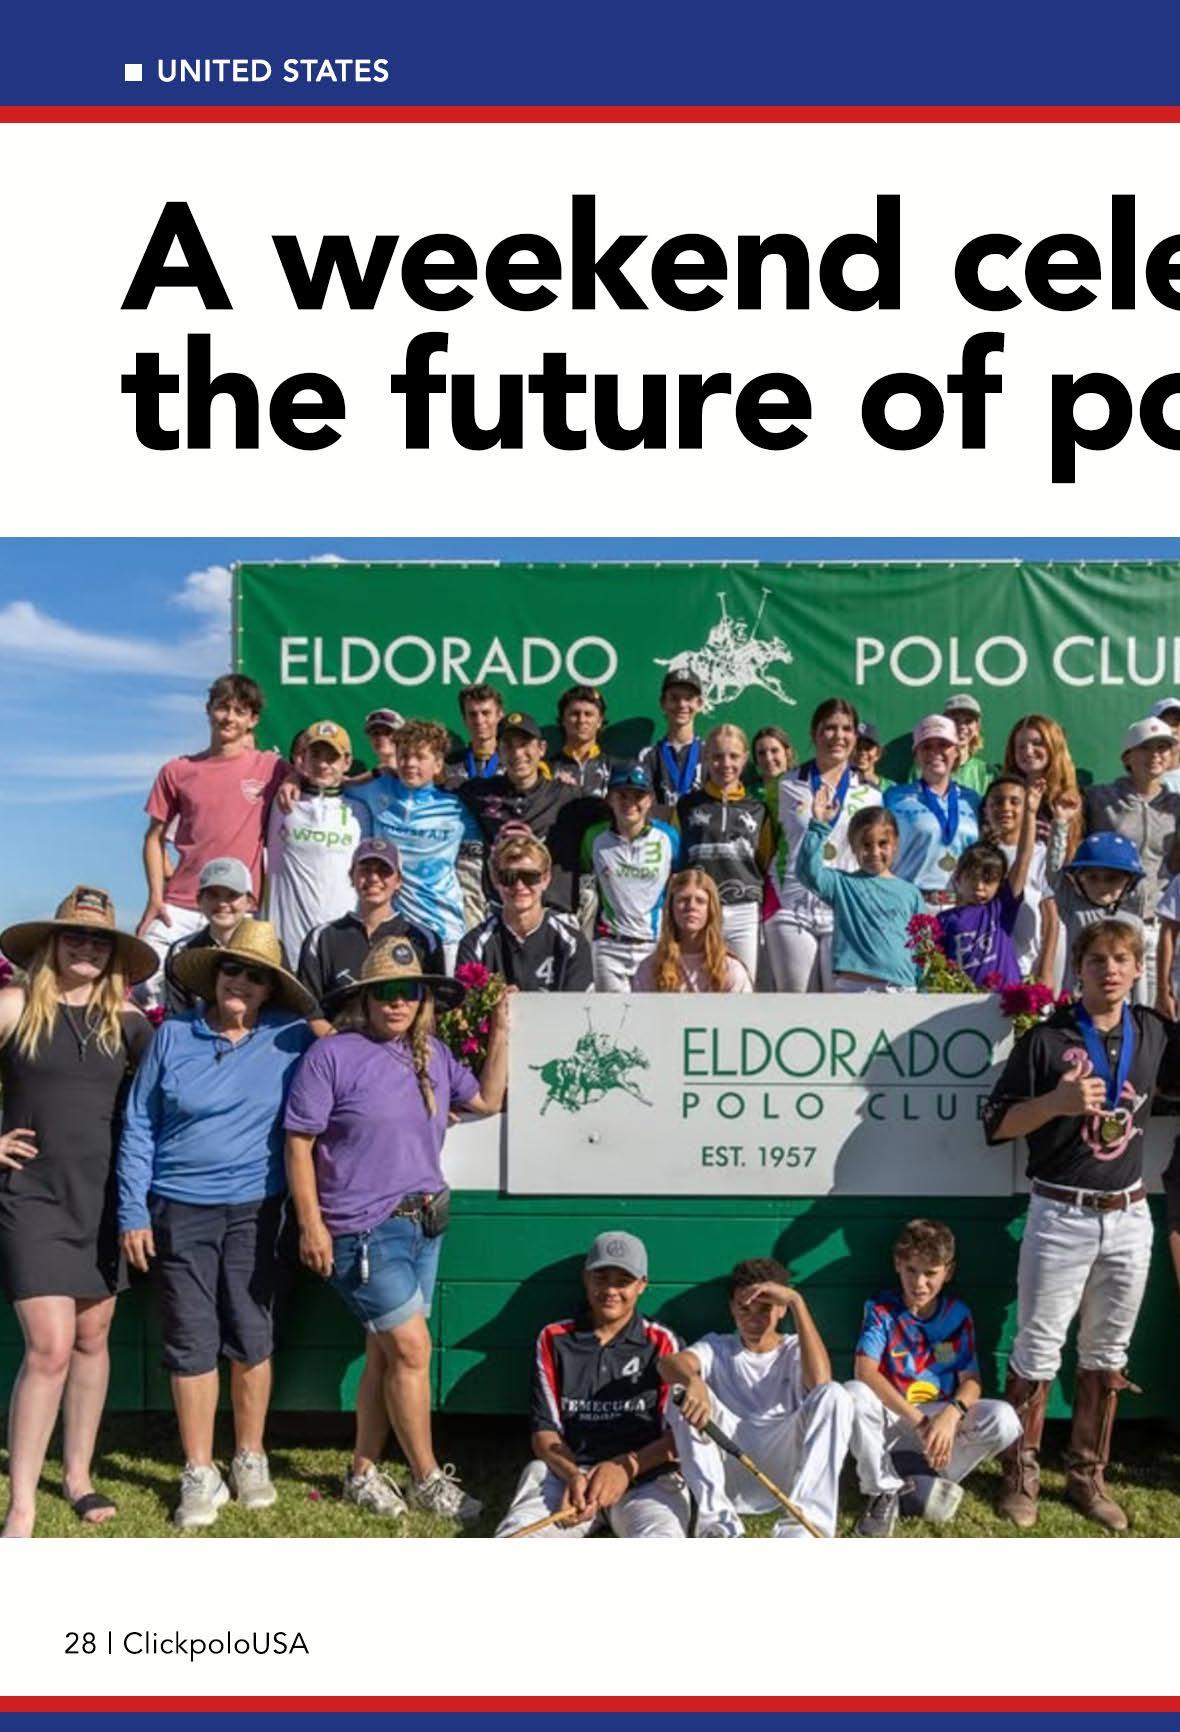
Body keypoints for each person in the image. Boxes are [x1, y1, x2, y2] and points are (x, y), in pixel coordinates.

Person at [284, 937, 509, 1525]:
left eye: (408, 991)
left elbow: (487, 1100)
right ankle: (427, 1477)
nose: (397, 1002)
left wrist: (504, 1029)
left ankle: (362, 1471)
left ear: (422, 998)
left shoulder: (432, 1053)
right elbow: (299, 1142)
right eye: (385, 991)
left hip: (424, 1224)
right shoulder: (332, 1056)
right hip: (362, 1231)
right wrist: (311, 1225)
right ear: (364, 998)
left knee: (385, 1353)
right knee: (412, 1350)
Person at [982, 917, 1180, 1530]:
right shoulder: (1047, 1039)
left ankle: (1088, 1476)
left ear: (1138, 968)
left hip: (1130, 1214)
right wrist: (1055, 1104)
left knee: (1108, 1351)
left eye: (1122, 960)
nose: (1110, 970)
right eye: (1098, 960)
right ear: (1079, 969)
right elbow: (996, 1124)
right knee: (1037, 1347)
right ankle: (1020, 1475)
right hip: (1060, 1212)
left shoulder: (1155, 1032)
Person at [117, 921, 315, 1529]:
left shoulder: (292, 1035)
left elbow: (352, 1059)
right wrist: (132, 1210)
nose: (241, 982)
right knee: (191, 1338)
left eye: (256, 976)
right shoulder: (173, 1035)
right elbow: (139, 1124)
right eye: (233, 969)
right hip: (178, 1208)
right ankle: (199, 1469)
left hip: (259, 1210)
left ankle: (250, 1456)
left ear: (269, 989)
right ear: (215, 975)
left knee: (253, 1334)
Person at [0, 887, 155, 1538]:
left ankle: (78, 1475)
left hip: (102, 1200)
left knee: (92, 1339)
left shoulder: (131, 1023)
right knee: (50, 1347)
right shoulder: (12, 1006)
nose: (86, 947)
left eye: (99, 940)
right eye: (75, 936)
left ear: (114, 953)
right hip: (30, 1196)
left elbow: (155, 1110)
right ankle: (23, 1503)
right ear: (52, 943)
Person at [495, 1231, 689, 1539]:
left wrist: (626, 1467)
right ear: (586, 1278)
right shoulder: (554, 1338)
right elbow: (544, 1433)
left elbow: (677, 1437)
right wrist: (573, 1475)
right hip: (569, 1475)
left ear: (641, 1285)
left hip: (643, 1474)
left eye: (623, 1281)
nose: (610, 1290)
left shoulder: (662, 1341)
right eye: (601, 1278)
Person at [847, 1219, 1021, 1536]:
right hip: (895, 1415)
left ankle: (924, 1477)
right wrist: (919, 1421)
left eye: (930, 1273)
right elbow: (865, 1371)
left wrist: (951, 1414)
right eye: (911, 1270)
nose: (920, 1283)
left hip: (937, 1420)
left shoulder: (955, 1315)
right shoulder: (882, 1309)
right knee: (853, 1393)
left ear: (948, 1272)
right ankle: (882, 1489)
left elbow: (971, 1381)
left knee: (1004, 1418)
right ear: (897, 1264)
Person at [660, 1257, 854, 1539]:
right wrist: (693, 1380)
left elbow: (821, 1383)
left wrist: (797, 1302)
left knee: (836, 1395)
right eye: (744, 1308)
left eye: (765, 1309)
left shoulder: (795, 1348)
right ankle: (719, 1525)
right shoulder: (717, 1346)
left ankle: (802, 1528)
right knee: (680, 1395)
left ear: (781, 1309)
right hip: (730, 1461)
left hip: (786, 1464)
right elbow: (667, 1365)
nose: (753, 1319)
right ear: (732, 1307)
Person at [137, 674, 287, 1006]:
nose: (229, 718)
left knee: (231, 997)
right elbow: (154, 838)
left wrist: (292, 783)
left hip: (239, 907)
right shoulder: (177, 770)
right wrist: (155, 898)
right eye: (222, 708)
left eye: (239, 711)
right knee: (146, 983)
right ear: (209, 710)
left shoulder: (272, 767)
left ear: (253, 720)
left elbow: (317, 779)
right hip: (181, 902)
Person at [765, 698, 882, 992]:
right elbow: (765, 847)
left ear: (855, 735)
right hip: (791, 907)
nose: (838, 736)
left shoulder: (871, 795)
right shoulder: (783, 786)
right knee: (796, 1002)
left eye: (846, 729)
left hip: (843, 910)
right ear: (814, 733)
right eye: (829, 728)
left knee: (840, 1004)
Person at [349, 718, 483, 973]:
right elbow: (333, 784)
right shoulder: (377, 789)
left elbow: (473, 872)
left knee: (444, 999)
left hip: (444, 929)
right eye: (404, 755)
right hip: (390, 929)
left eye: (420, 757)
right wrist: (292, 780)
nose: (410, 763)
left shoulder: (457, 808)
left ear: (438, 764)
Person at [459, 711, 599, 919]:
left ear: (541, 748)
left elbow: (621, 816)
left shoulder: (568, 795)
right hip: (500, 913)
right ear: (498, 751)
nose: (517, 753)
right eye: (508, 746)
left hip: (554, 913)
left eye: (525, 744)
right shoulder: (477, 792)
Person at [298, 839, 444, 1036]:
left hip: (402, 1050)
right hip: (338, 1049)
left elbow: (432, 1012)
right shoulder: (322, 938)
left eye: (384, 871)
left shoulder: (424, 939)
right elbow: (309, 1011)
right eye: (365, 870)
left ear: (399, 881)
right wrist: (346, 1047)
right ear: (351, 876)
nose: (374, 878)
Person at [1084, 716, 1180, 1003]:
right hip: (1112, 921)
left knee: (1154, 1011)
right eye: (1146, 748)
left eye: (1163, 748)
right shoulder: (1098, 798)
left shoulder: (1177, 806)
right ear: (1127, 757)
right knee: (1110, 1008)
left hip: (1159, 925)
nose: (1155, 755)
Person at [675, 724, 773, 982]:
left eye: (733, 756)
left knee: (742, 984)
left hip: (743, 910)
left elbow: (764, 861)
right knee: (696, 985)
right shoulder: (686, 806)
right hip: (699, 908)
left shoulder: (758, 810)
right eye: (717, 756)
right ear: (706, 758)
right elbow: (675, 859)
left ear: (745, 759)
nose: (725, 764)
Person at [263, 719, 364, 970]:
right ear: (302, 758)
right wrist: (291, 778)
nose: (322, 764)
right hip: (285, 949)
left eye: (332, 758)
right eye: (315, 755)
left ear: (347, 762)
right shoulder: (279, 802)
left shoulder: (361, 810)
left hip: (341, 948)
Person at [795, 796, 923, 992]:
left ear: (895, 844)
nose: (874, 852)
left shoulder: (911, 893)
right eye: (866, 845)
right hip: (854, 987)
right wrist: (818, 825)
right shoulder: (842, 884)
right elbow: (808, 871)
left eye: (883, 843)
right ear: (853, 847)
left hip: (902, 989)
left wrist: (923, 987)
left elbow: (923, 945)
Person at [581, 764, 678, 991]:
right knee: (612, 1014)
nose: (630, 802)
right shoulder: (594, 837)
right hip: (609, 947)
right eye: (622, 795)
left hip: (654, 945)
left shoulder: (667, 836)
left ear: (650, 800)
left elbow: (679, 883)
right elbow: (585, 883)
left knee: (653, 1012)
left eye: (638, 796)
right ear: (609, 799)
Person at [936, 780, 1040, 990]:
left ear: (1000, 884)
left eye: (989, 880)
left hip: (1005, 1000)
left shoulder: (1000, 909)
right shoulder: (943, 920)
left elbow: (1023, 857)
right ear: (957, 878)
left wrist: (1030, 813)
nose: (980, 887)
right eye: (972, 878)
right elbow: (937, 968)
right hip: (961, 1002)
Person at [457, 832, 592, 992]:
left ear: (546, 879)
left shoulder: (573, 944)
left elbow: (578, 1006)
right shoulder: (474, 944)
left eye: (530, 877)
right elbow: (464, 1004)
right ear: (495, 880)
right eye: (508, 877)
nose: (519, 886)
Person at [886, 714, 982, 906]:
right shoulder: (893, 798)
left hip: (961, 906)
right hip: (911, 904)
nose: (935, 752)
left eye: (943, 745)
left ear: (956, 752)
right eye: (927, 746)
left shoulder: (973, 800)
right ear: (916, 754)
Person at [1046, 825, 1147, 995]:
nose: (1102, 885)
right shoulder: (1071, 909)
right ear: (1078, 880)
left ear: (1129, 883)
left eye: (1112, 878)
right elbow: (1053, 874)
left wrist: (1140, 1007)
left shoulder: (1134, 923)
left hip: (1119, 1005)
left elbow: (1138, 972)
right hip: (1076, 1001)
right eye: (1092, 877)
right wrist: (1061, 825)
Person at [980, 773, 1060, 988]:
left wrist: (1046, 970)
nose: (1005, 808)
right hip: (988, 964)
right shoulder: (978, 855)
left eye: (1015, 802)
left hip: (1028, 965)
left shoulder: (1041, 854)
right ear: (986, 810)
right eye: (997, 802)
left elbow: (1051, 918)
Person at [162, 856, 256, 1017]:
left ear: (249, 902)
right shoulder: (181, 951)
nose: (222, 903)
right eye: (213, 895)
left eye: (232, 895)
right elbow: (178, 1015)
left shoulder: (269, 948)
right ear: (199, 900)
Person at [633, 868, 752, 993]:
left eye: (700, 901)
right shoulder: (650, 969)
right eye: (683, 900)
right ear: (671, 908)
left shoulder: (731, 969)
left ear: (711, 909)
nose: (691, 906)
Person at [1002, 713, 1083, 857]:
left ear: (1053, 746)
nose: (1028, 751)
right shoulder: (1002, 796)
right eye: (1020, 746)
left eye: (1037, 743)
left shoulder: (1071, 799)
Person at [637, 668, 706, 809]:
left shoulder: (710, 753)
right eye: (674, 698)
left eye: (689, 698)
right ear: (663, 703)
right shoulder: (648, 756)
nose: (682, 704)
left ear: (699, 704)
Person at [551, 685, 612, 796]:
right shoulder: (548, 769)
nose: (581, 720)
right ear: (563, 720)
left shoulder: (613, 769)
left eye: (588, 714)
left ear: (599, 721)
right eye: (575, 714)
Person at [442, 682, 505, 789]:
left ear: (499, 716)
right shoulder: (448, 765)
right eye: (472, 714)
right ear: (464, 719)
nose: (479, 720)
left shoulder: (512, 762)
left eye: (486, 713)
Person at [941, 694, 993, 794]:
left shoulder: (987, 773)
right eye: (955, 720)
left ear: (977, 727)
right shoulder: (925, 768)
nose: (962, 726)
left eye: (968, 721)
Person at [749, 725, 795, 802]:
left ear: (787, 753)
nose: (768, 758)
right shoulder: (749, 794)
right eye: (761, 753)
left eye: (774, 750)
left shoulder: (804, 787)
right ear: (755, 758)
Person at [851, 720, 892, 792]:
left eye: (868, 747)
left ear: (878, 754)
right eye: (857, 747)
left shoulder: (890, 789)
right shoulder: (838, 784)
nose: (862, 752)